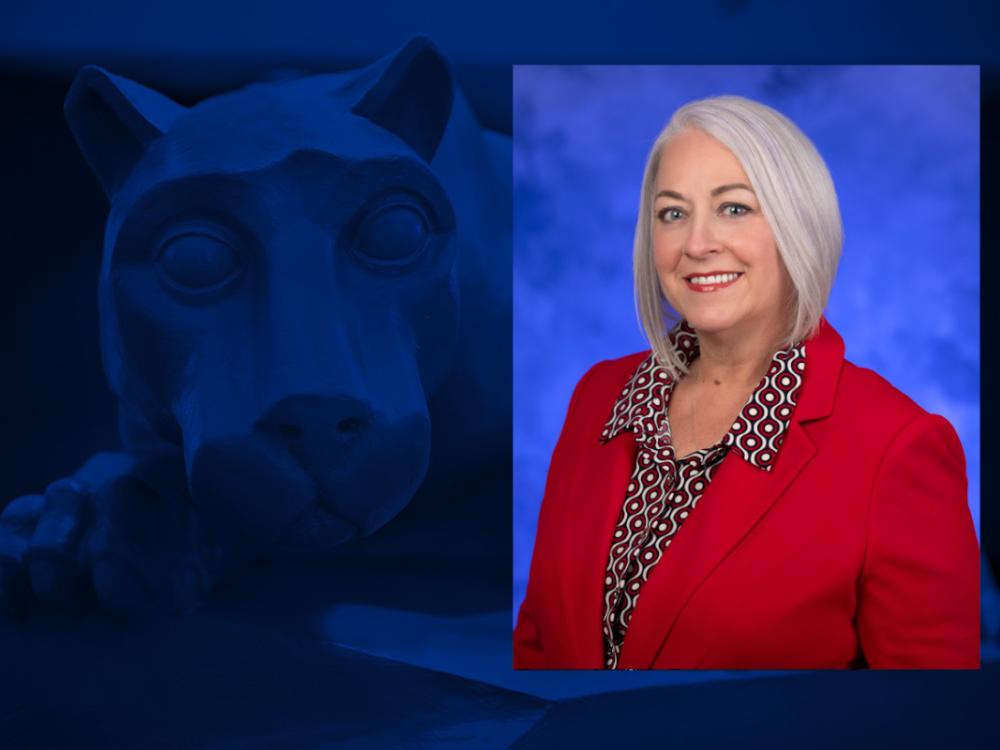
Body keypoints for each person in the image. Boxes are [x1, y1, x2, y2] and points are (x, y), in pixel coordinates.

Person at [512, 95, 979, 670]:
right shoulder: (599, 398)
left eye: (733, 209)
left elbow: (928, 719)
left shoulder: (898, 446)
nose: (697, 244)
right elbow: (537, 641)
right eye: (672, 213)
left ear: (798, 224)